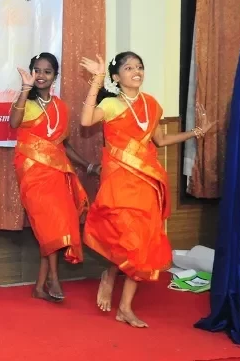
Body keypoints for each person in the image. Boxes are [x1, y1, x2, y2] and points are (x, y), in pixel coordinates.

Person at [79, 52, 215, 327]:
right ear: (116, 77)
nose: (136, 71)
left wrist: (197, 132)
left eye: (139, 66)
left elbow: (160, 140)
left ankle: (124, 307)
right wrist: (97, 79)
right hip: (118, 184)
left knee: (140, 243)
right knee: (125, 238)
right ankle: (110, 274)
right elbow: (85, 121)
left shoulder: (151, 104)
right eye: (129, 68)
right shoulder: (111, 104)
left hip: (146, 182)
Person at [9, 52, 99, 302]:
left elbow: (63, 144)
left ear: (54, 76)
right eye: (37, 70)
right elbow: (14, 123)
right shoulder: (25, 102)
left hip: (57, 172)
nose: (41, 75)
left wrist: (88, 166)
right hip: (32, 172)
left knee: (57, 224)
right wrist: (25, 89)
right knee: (49, 225)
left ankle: (40, 287)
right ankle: (54, 279)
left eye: (47, 71)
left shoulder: (61, 106)